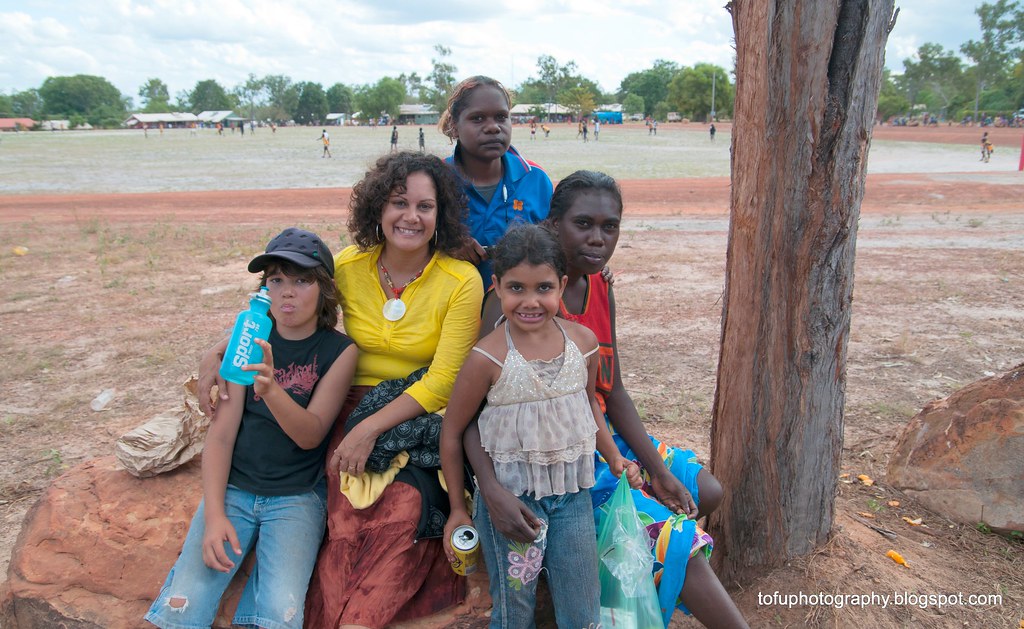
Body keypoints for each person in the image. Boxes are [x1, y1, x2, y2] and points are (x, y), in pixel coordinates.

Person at [198, 152, 483, 628]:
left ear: (441, 215)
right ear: (377, 207)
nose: (411, 216)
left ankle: (358, 620)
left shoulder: (461, 280)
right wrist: (221, 349)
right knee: (346, 516)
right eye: (398, 202)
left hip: (420, 414)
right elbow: (289, 308)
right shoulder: (348, 267)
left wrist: (370, 429)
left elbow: (445, 380)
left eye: (425, 206)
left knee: (402, 509)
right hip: (344, 403)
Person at [469, 172, 749, 628]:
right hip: (552, 448)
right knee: (675, 541)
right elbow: (477, 410)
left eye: (610, 226)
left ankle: (629, 578)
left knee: (704, 491)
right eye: (583, 224)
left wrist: (656, 469)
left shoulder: (600, 286)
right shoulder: (516, 302)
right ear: (554, 223)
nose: (598, 239)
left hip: (604, 434)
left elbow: (612, 388)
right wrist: (489, 488)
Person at [148, 228, 358, 629]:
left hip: (296, 497)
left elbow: (310, 434)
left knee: (281, 611)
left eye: (301, 280)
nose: (287, 292)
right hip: (236, 490)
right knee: (185, 601)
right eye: (276, 280)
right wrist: (213, 516)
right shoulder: (248, 338)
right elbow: (222, 436)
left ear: (325, 289)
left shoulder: (339, 351)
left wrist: (272, 389)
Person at [440, 223, 641, 628]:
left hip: (572, 500)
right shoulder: (488, 358)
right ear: (496, 286)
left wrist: (615, 456)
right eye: (516, 288)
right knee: (515, 613)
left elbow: (586, 404)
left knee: (582, 611)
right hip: (512, 506)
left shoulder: (583, 342)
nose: (530, 301)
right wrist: (460, 509)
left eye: (543, 288)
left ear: (562, 285)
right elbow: (454, 428)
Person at [438, 75, 553, 288]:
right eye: (478, 118)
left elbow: (557, 247)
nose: (493, 127)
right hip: (450, 311)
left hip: (520, 314)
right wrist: (444, 242)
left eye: (501, 117)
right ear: (454, 125)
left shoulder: (535, 179)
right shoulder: (435, 179)